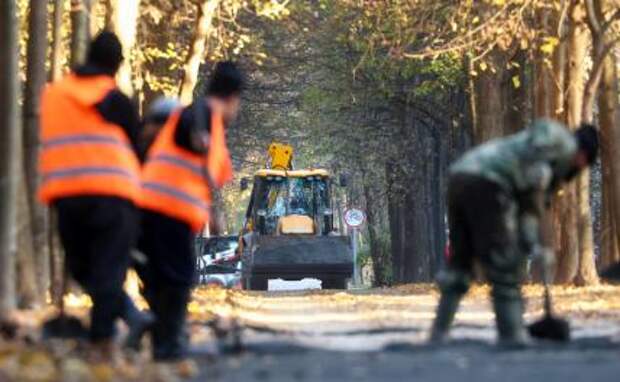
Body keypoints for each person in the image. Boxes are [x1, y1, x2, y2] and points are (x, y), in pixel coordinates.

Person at [430, 120, 599, 346]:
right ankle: (512, 335)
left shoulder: (541, 160)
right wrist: (529, 240)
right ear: (583, 157)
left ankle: (439, 332)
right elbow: (535, 174)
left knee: (460, 262)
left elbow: (527, 204)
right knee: (505, 266)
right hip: (488, 183)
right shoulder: (561, 143)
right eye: (582, 165)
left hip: (460, 176)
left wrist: (530, 241)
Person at [39, 32, 147, 357]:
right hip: (113, 199)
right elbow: (138, 150)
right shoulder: (116, 101)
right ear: (116, 66)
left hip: (68, 197)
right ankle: (105, 338)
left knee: (82, 268)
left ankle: (122, 323)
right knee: (109, 268)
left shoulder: (54, 94)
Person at [137, 61, 241, 361]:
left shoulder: (204, 117)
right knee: (178, 277)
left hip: (162, 208)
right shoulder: (204, 112)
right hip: (167, 209)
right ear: (233, 98)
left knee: (167, 278)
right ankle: (169, 346)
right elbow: (193, 129)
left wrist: (210, 206)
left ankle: (164, 340)